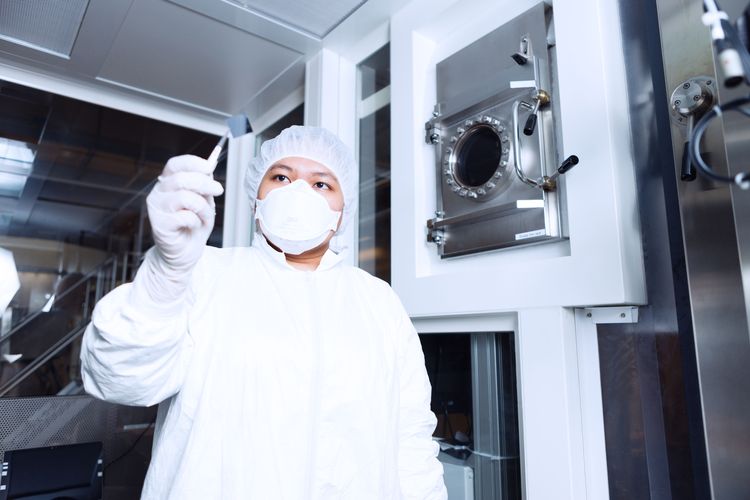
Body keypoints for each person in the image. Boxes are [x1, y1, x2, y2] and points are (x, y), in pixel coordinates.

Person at [80, 126, 447, 499]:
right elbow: (118, 380)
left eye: (321, 184)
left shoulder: (378, 302)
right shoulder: (204, 274)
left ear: (342, 211)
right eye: (282, 177)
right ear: (256, 198)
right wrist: (166, 274)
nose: (298, 192)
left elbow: (411, 436)